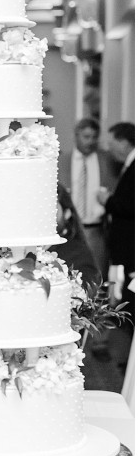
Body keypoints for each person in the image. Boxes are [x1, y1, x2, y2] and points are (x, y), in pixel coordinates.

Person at [59, 118, 116, 279]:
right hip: (70, 230)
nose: (90, 141)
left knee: (97, 276)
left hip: (97, 230)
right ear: (75, 136)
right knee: (71, 274)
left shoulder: (107, 161)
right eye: (86, 136)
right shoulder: (62, 161)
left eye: (94, 137)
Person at [99, 122, 135, 320]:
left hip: (131, 247)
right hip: (125, 248)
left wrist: (108, 201)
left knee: (128, 297)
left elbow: (131, 206)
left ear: (123, 142)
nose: (109, 149)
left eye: (112, 143)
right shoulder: (128, 165)